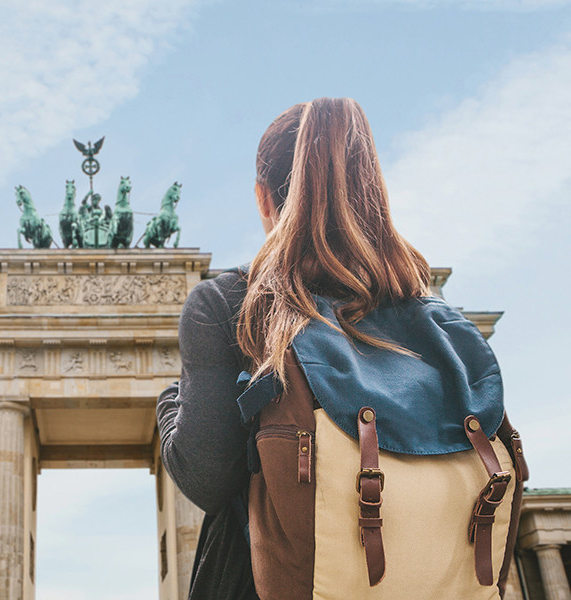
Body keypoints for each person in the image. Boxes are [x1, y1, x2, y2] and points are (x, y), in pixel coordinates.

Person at [156, 98, 523, 599]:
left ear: (264, 198)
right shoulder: (434, 317)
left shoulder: (233, 304)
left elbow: (206, 479)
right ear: (370, 189)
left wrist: (170, 402)